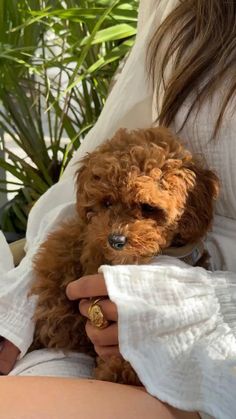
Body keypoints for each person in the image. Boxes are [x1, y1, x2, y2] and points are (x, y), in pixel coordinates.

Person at [0, 0, 235, 418]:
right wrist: (18, 311)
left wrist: (198, 307)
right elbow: (94, 176)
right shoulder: (180, 10)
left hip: (212, 342)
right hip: (107, 319)